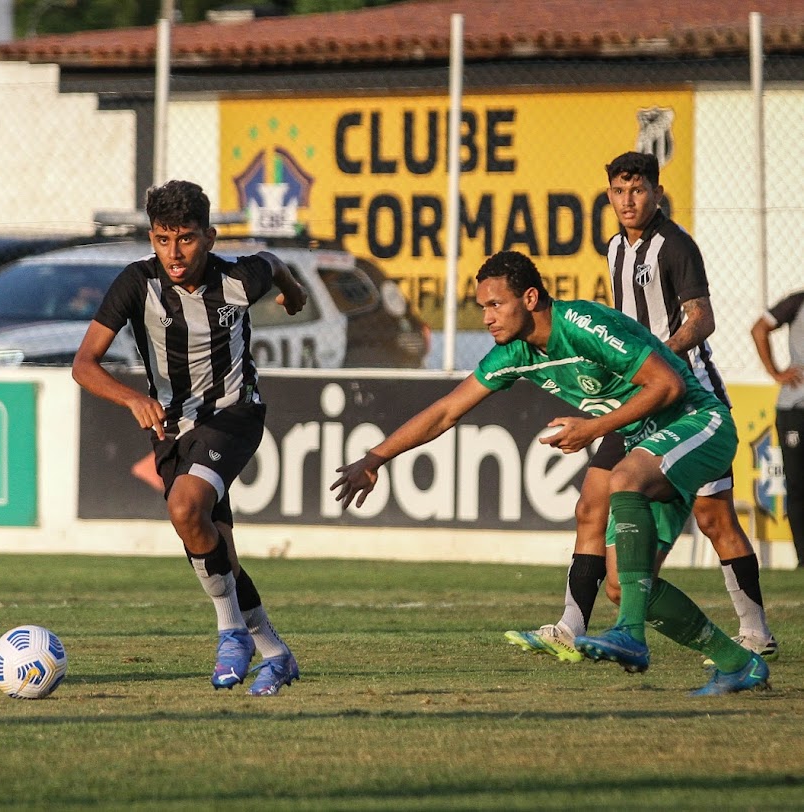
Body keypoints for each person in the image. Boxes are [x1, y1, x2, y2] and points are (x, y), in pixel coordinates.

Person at [332, 250, 770, 695]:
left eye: (495, 305)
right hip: (646, 443)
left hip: (698, 423)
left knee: (622, 480)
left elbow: (669, 385)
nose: (487, 317)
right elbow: (446, 411)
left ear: (530, 297)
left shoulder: (582, 324)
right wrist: (376, 458)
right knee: (623, 585)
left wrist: (593, 428)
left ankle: (632, 638)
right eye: (482, 306)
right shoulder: (514, 354)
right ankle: (737, 663)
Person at [504, 151, 777, 664]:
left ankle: (754, 631)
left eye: (637, 189)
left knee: (715, 518)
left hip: (686, 397)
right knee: (591, 501)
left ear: (656, 192)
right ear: (608, 195)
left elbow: (703, 319)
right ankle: (569, 626)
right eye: (619, 190)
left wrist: (656, 361)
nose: (628, 200)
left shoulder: (675, 246)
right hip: (633, 400)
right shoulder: (613, 248)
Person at [72, 179, 306, 696]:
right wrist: (132, 397)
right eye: (162, 239)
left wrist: (294, 291)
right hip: (171, 427)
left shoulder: (239, 281)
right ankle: (276, 655)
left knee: (184, 508)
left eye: (186, 239)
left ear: (211, 237)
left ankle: (229, 634)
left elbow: (274, 261)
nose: (174, 253)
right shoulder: (137, 283)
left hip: (235, 414)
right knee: (217, 547)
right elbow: (83, 366)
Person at [751, 289, 804, 568]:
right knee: (796, 483)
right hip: (796, 407)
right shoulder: (797, 302)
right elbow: (759, 329)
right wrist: (775, 372)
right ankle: (802, 560)